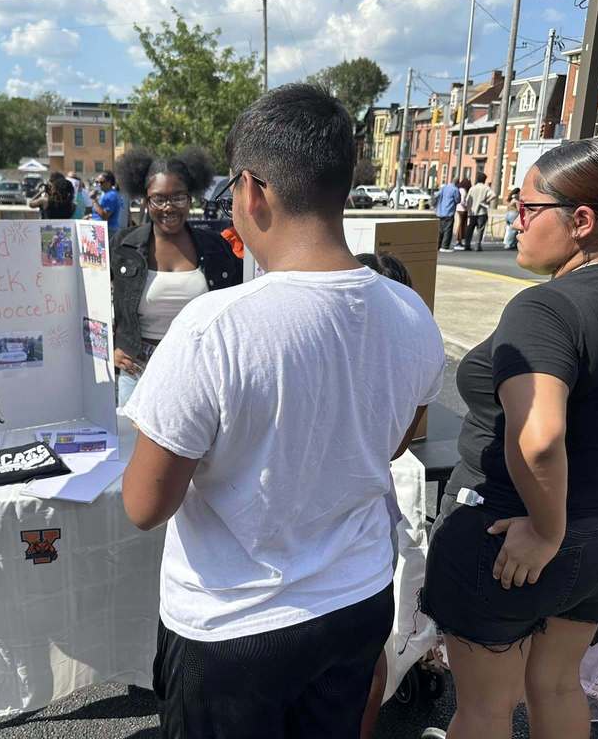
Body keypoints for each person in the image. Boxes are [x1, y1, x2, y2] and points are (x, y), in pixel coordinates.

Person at [121, 84, 445, 739]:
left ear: (253, 191)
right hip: (355, 598)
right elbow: (397, 438)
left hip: (233, 623)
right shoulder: (410, 310)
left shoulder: (215, 326)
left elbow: (144, 504)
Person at [420, 137, 598, 739]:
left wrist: (546, 531)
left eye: (526, 207)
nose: (514, 220)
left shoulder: (547, 309)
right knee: (557, 686)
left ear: (580, 221)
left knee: (484, 710)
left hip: (517, 539)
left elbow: (539, 437)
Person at [112, 147, 241, 407]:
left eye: (178, 198)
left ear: (190, 198)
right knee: (132, 446)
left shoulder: (216, 247)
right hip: (138, 370)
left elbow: (235, 308)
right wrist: (111, 346)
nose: (168, 207)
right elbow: (95, 301)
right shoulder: (123, 245)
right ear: (146, 201)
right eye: (158, 199)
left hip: (198, 371)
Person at [354, 249, 416, 739]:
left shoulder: (398, 357)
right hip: (367, 528)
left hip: (363, 528)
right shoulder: (410, 351)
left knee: (363, 654)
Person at [465, 171, 496, 251]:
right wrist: (486, 201)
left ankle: (467, 244)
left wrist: (469, 210)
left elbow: (468, 200)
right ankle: (477, 245)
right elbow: (493, 195)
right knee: (480, 229)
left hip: (473, 211)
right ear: (484, 180)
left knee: (470, 228)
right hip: (482, 211)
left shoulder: (473, 188)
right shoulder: (486, 188)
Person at [91, 170, 123, 236]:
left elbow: (105, 216)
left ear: (109, 182)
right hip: (101, 230)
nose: (99, 184)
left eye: (102, 182)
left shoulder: (111, 195)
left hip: (108, 231)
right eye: (97, 182)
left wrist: (94, 200)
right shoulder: (104, 194)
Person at [436, 180, 462, 252]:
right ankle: (445, 246)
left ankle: (438, 245)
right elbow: (458, 200)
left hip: (440, 212)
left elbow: (437, 195)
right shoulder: (455, 189)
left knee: (440, 230)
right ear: (457, 183)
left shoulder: (444, 187)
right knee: (448, 230)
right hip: (449, 211)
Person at [453, 177, 471, 250]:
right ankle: (459, 240)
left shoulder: (459, 189)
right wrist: (467, 206)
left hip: (458, 209)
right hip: (462, 209)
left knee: (460, 225)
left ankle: (459, 240)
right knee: (461, 225)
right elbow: (462, 201)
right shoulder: (463, 191)